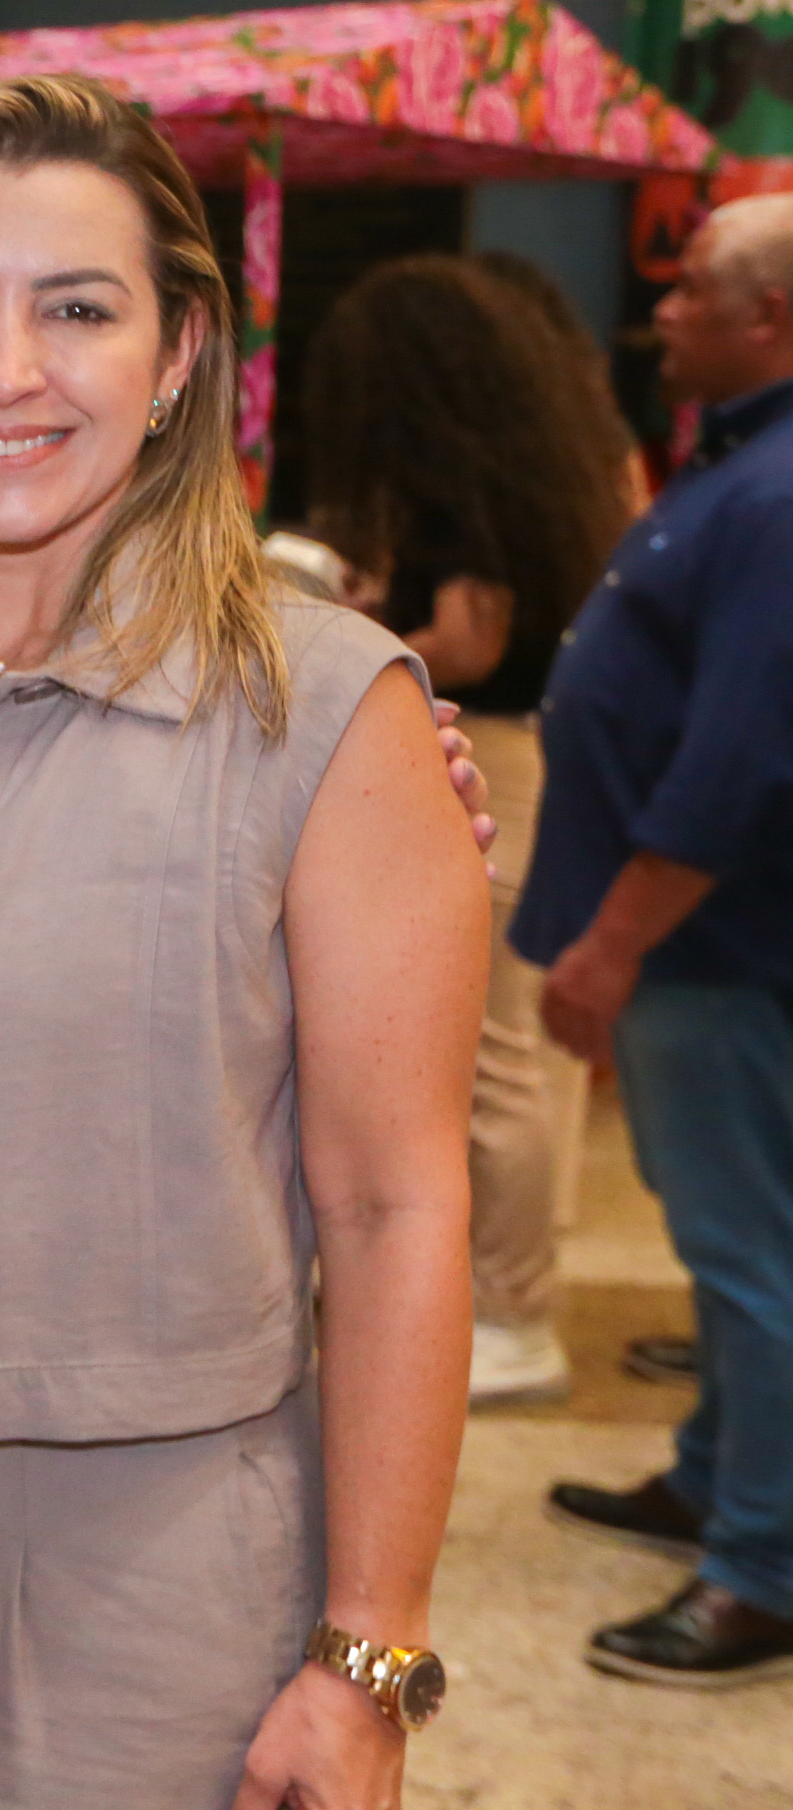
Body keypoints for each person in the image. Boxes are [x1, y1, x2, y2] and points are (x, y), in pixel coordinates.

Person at [0, 74, 491, 1807]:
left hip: (144, 1592)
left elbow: (392, 1205)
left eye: (74, 309)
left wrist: (368, 1653)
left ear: (174, 355)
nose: (2, 370)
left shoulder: (318, 708)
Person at [526, 190, 793, 1688]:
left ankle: (761, 1570)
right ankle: (711, 1477)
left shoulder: (774, 489)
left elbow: (740, 754)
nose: (663, 312)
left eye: (690, 289)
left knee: (747, 1254)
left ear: (769, 317)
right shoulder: (737, 460)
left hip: (714, 943)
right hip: (706, 940)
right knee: (726, 1240)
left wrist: (613, 941)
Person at [304, 254, 637, 1404]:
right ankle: (504, 1290)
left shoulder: (459, 497)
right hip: (526, 751)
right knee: (513, 1058)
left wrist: (336, 639)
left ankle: (512, 1310)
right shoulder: (532, 468)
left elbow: (468, 640)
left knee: (499, 1061)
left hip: (489, 755)